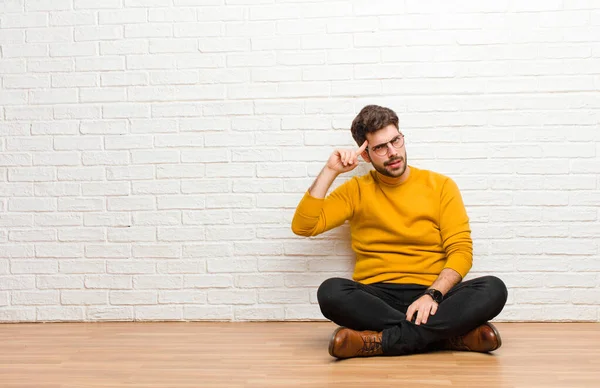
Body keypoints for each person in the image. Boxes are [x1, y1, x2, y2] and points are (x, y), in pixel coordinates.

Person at [291, 105, 508, 359]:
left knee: (494, 288)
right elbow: (304, 226)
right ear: (366, 156)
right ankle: (450, 336)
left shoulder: (441, 186)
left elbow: (461, 251)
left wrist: (433, 294)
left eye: (396, 140)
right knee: (330, 292)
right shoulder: (356, 190)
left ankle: (379, 342)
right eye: (381, 147)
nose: (393, 152)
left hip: (434, 295)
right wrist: (330, 170)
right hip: (378, 297)